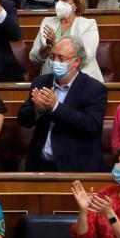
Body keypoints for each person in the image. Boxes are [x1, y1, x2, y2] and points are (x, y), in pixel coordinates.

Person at [18, 37, 108, 172]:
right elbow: (23, 119)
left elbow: (91, 125)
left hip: (75, 169)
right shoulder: (41, 82)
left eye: (61, 58)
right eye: (52, 56)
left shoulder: (94, 89)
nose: (55, 62)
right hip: (40, 166)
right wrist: (38, 110)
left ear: (76, 61)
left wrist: (55, 107)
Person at [29, 0, 103, 82]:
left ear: (76, 4)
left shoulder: (88, 25)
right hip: (50, 79)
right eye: (57, 0)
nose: (59, 3)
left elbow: (85, 58)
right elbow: (33, 57)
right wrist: (47, 47)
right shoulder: (47, 22)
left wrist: (55, 43)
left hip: (82, 81)